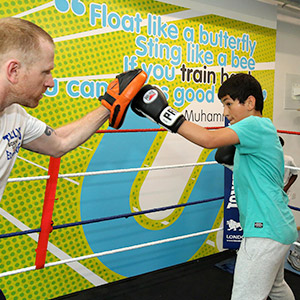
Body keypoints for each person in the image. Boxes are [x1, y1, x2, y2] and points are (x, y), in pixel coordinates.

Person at [0, 17, 147, 299]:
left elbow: (59, 142)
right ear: (14, 70)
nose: (51, 83)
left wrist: (109, 106)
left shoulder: (15, 116)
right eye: (45, 72)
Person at [130, 73, 298, 300]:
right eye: (223, 105)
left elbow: (208, 140)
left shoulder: (254, 124)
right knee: (276, 288)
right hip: (279, 226)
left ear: (250, 103)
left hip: (264, 231)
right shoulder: (260, 132)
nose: (225, 112)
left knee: (244, 296)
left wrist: (163, 113)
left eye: (229, 104)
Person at [279, 137, 300, 272]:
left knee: (286, 221)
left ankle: (293, 252)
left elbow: (295, 173)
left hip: (280, 195)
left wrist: (286, 188)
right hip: (267, 196)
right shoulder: (263, 158)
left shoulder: (287, 159)